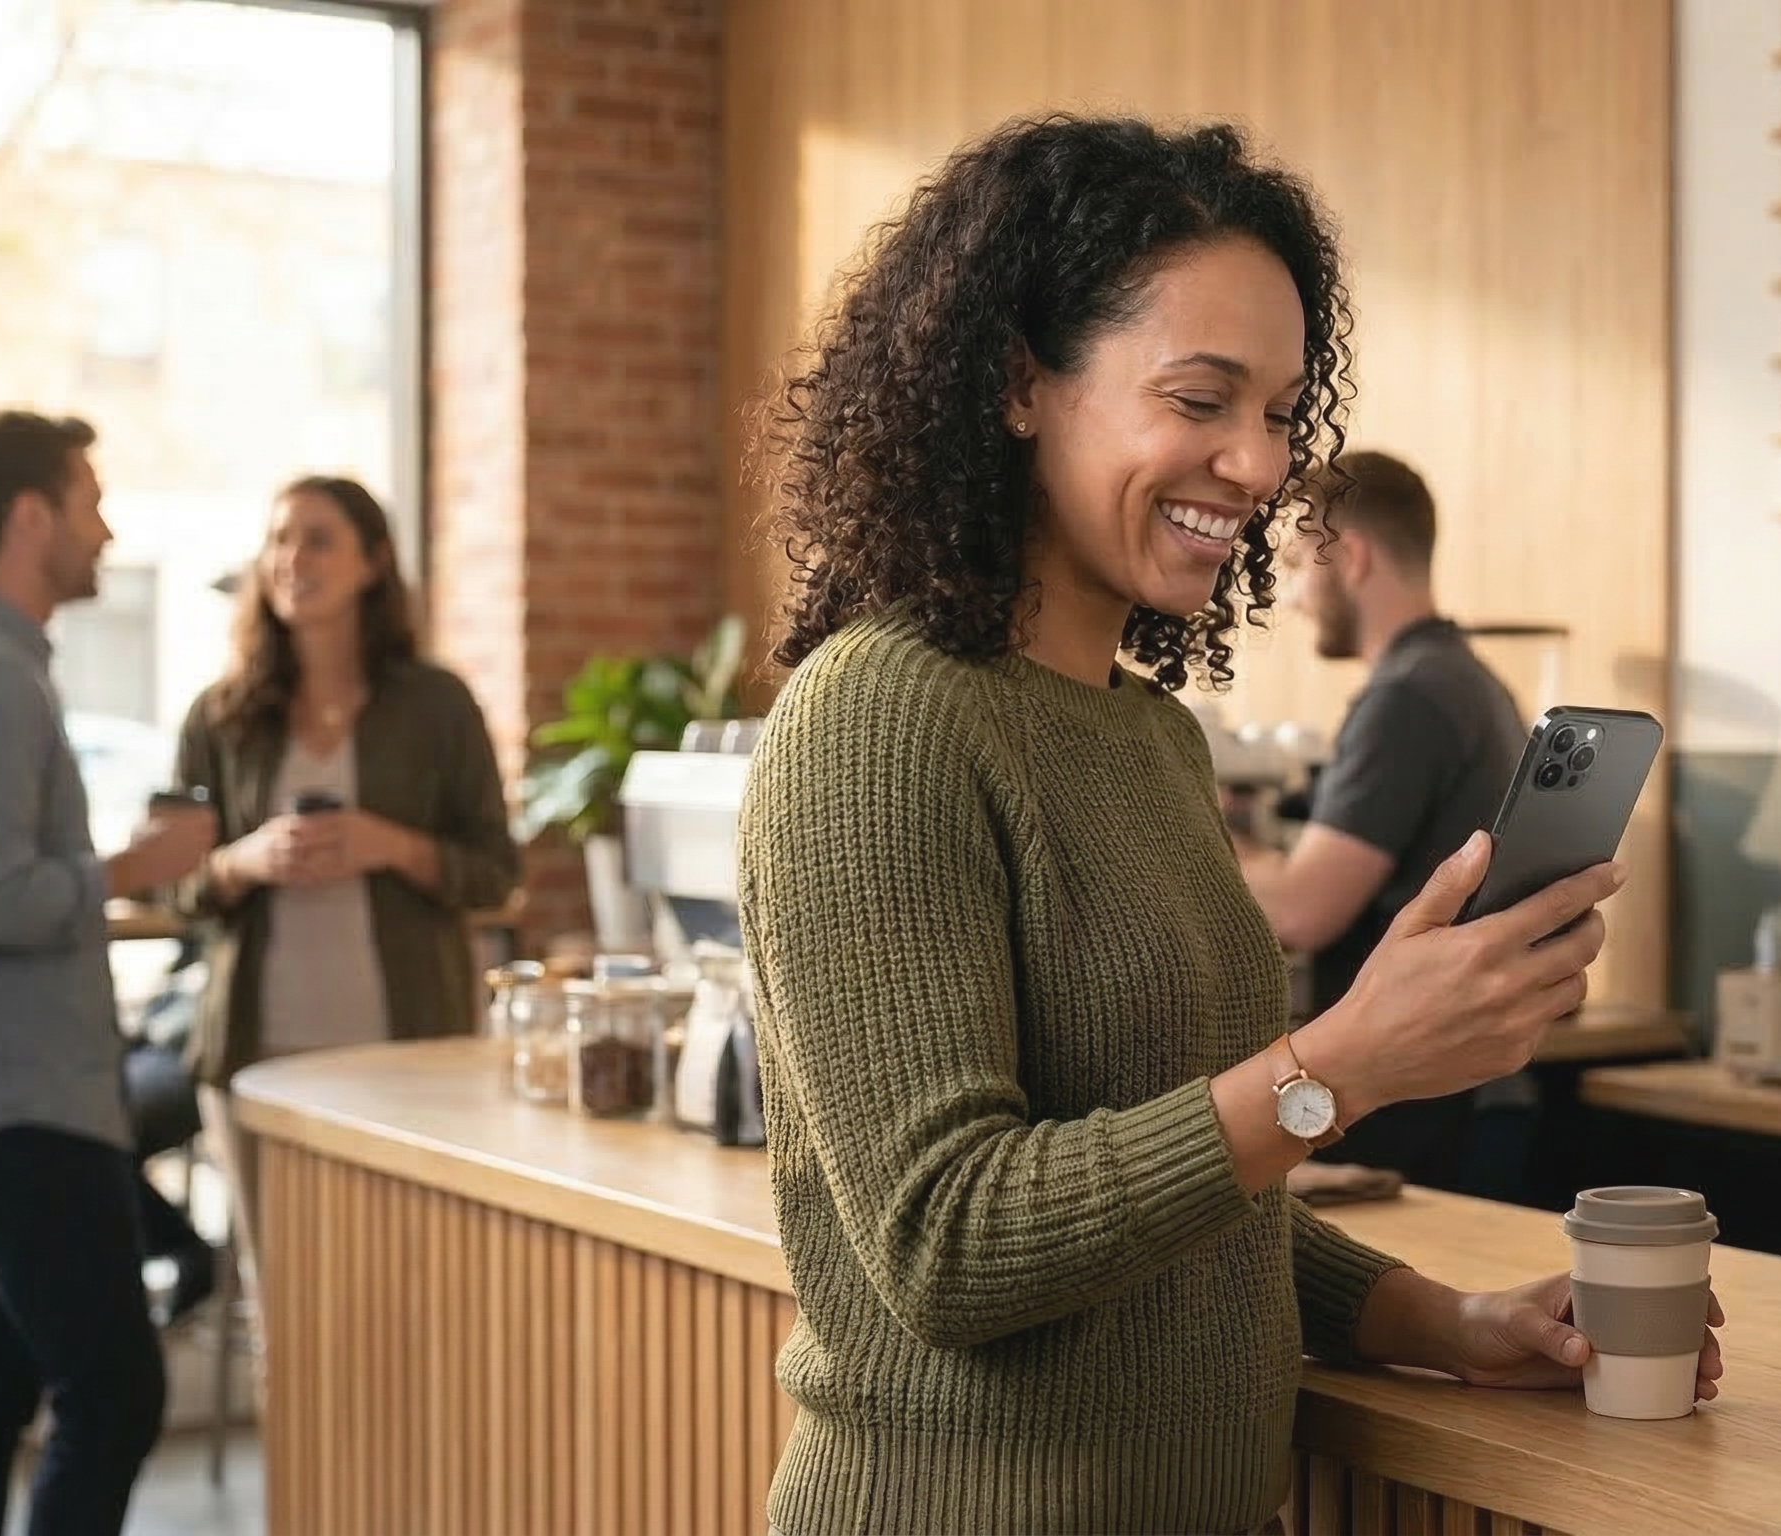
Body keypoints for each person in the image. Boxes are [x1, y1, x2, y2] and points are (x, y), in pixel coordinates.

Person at [736, 115, 1723, 1535]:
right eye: (1201, 401)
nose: (1259, 466)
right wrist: (1341, 1067)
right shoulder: (877, 718)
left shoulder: (1149, 739)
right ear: (1019, 381)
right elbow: (950, 1242)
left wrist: (1442, 1320)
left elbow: (1199, 1204)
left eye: (1277, 412)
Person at [0, 409, 218, 1536]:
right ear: (31, 517)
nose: (106, 527)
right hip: (13, 1106)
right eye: (89, 499)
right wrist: (134, 865)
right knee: (114, 1394)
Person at [171, 475, 520, 1300]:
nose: (292, 558)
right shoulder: (221, 717)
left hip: (408, 1055)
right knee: (282, 1302)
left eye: (318, 538)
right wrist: (242, 860)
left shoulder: (438, 706)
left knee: (405, 1292)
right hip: (255, 1055)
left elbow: (497, 874)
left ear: (374, 562)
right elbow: (172, 886)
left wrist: (390, 845)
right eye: (278, 539)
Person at [1236, 450, 1530, 1190]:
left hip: (1426, 1110)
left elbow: (1303, 911)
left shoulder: (1407, 697)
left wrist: (1195, 832)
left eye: (1302, 563)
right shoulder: (1472, 683)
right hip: (1470, 1094)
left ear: (1354, 557)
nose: (1295, 595)